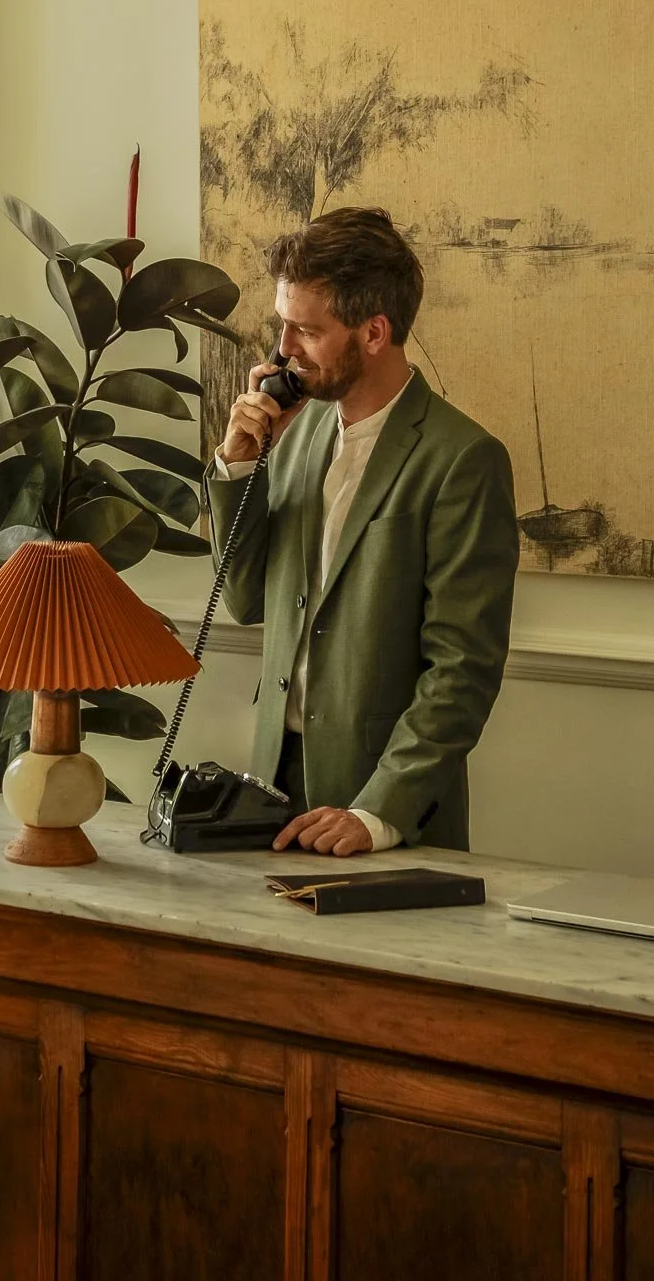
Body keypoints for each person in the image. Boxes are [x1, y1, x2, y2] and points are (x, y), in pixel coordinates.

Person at [206, 208, 519, 858]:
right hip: (271, 786)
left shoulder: (462, 458)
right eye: (280, 326)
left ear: (373, 332)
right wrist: (239, 463)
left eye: (305, 330)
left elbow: (462, 670)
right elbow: (244, 598)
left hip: (382, 810)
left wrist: (377, 812)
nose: (283, 350)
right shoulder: (292, 436)